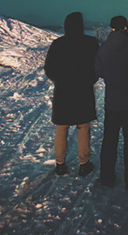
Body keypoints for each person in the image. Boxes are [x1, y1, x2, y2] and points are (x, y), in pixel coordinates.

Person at [44, 11, 99, 177]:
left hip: (63, 93)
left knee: (62, 128)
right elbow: (97, 67)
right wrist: (90, 80)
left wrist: (60, 80)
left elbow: (49, 69)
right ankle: (84, 163)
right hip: (84, 92)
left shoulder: (57, 44)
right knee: (83, 128)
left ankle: (60, 164)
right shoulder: (90, 43)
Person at [95, 15, 128, 189]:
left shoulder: (103, 49)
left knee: (109, 140)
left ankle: (106, 176)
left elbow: (99, 71)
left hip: (112, 102)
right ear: (126, 28)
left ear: (112, 28)